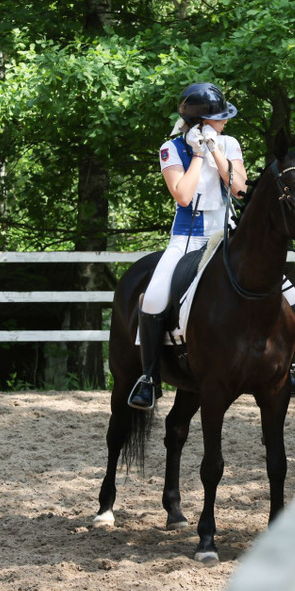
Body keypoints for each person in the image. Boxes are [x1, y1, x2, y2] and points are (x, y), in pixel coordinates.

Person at [127, 82, 245, 410]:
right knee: (152, 297)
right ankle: (148, 378)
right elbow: (182, 194)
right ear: (201, 123)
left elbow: (239, 189)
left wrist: (216, 151)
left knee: (281, 284)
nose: (225, 123)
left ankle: (289, 367)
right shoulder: (170, 148)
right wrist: (197, 154)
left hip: (226, 235)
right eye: (219, 119)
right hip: (187, 237)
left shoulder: (230, 143)